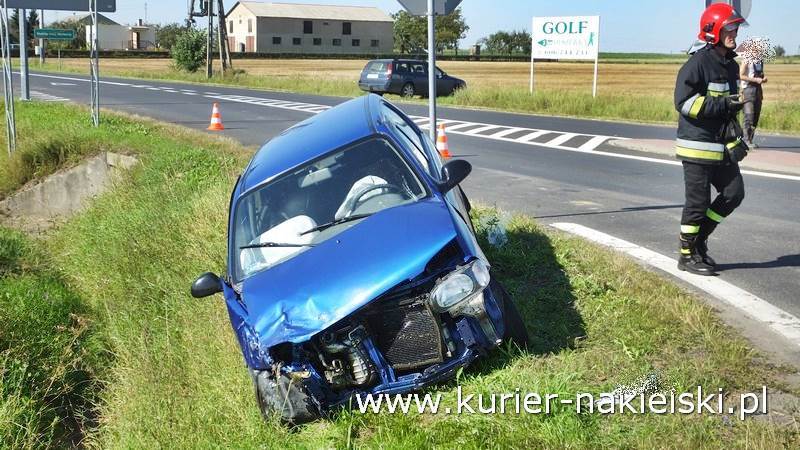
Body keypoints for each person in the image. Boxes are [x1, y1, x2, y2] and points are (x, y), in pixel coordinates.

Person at [673, 3, 747, 275]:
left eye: (735, 27)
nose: (734, 32)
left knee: (733, 193)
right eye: (729, 28)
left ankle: (700, 238)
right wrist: (724, 105)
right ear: (712, 30)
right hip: (697, 147)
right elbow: (684, 103)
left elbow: (729, 109)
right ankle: (686, 254)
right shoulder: (697, 64)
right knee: (697, 203)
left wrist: (735, 139)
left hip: (720, 145)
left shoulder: (729, 65)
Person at [739, 50, 767, 147]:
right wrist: (755, 79)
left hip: (758, 90)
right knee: (749, 116)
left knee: (756, 116)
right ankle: (745, 140)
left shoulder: (760, 61)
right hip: (748, 90)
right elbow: (741, 75)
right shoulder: (746, 59)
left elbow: (760, 74)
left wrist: (763, 78)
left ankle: (750, 140)